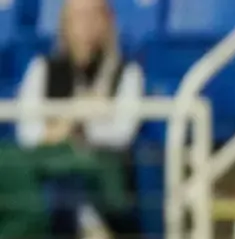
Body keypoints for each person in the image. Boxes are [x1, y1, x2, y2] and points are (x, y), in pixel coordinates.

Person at [14, 0, 144, 153]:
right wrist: (71, 119)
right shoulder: (41, 68)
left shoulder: (129, 72)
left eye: (93, 16)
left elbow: (122, 134)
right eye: (78, 17)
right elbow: (27, 134)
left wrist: (80, 128)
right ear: (65, 23)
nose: (86, 25)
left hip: (103, 167)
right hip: (47, 166)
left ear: (107, 22)